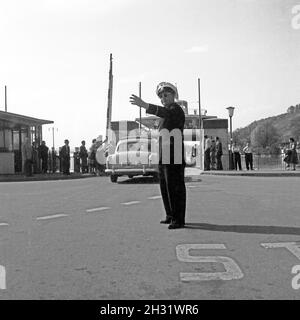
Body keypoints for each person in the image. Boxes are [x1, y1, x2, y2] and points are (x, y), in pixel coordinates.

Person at [130, 82, 186, 229]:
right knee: (165, 186)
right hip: (164, 154)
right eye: (161, 97)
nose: (163, 98)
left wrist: (146, 105)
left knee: (175, 187)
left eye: (166, 95)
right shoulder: (165, 113)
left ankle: (178, 219)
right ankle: (170, 214)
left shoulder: (175, 109)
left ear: (174, 95)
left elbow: (164, 112)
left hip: (174, 155)